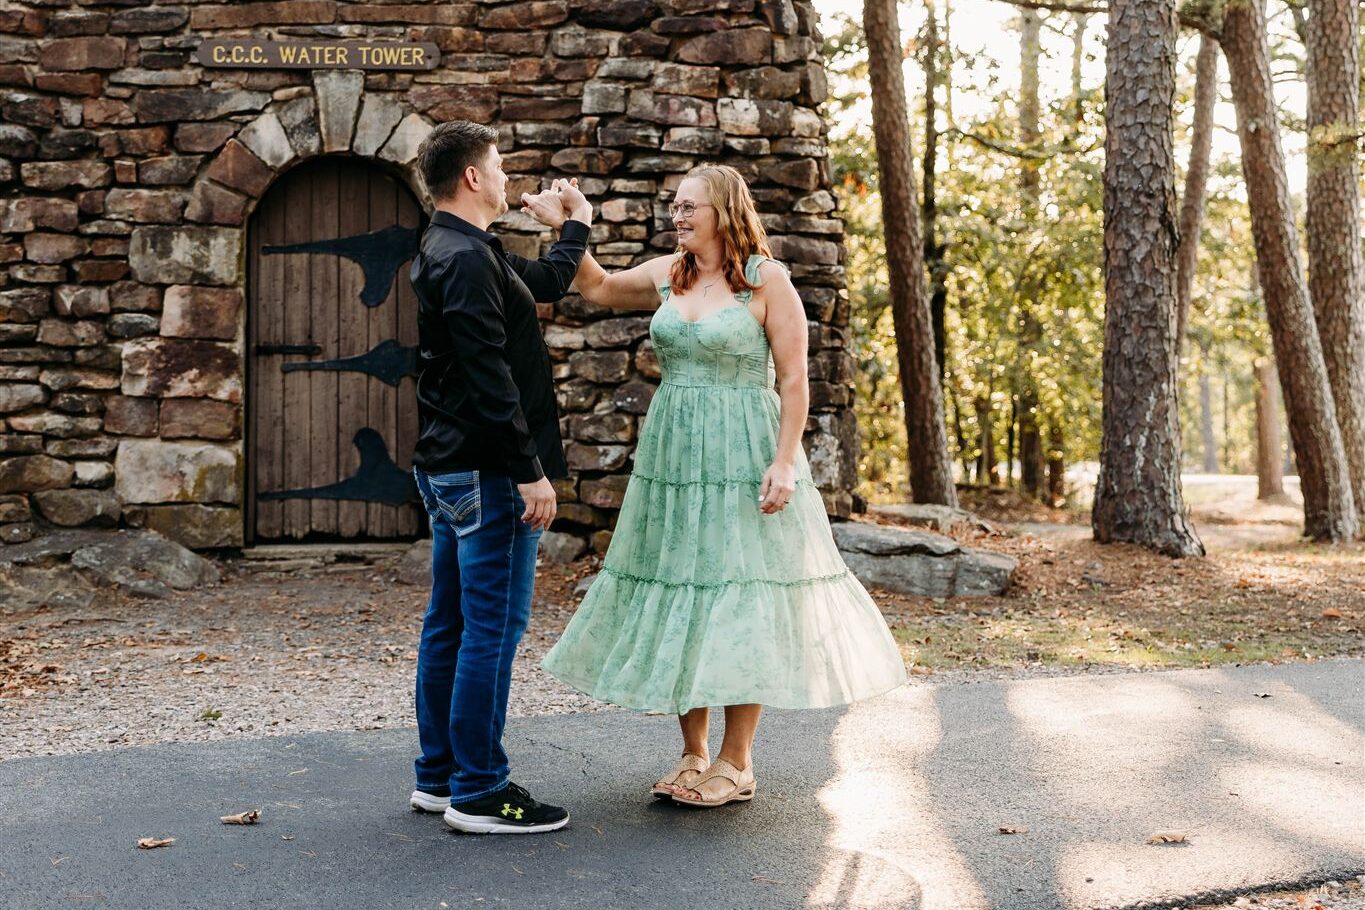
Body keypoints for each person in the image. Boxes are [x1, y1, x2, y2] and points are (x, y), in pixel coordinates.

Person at [522, 165, 907, 809]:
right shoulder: (667, 272)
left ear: (724, 211)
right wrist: (570, 223)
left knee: (738, 591)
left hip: (743, 453)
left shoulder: (766, 279)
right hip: (675, 456)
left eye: (689, 206)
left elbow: (793, 380)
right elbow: (596, 288)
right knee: (685, 588)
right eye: (674, 205)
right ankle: (694, 752)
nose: (677, 215)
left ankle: (737, 759)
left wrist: (785, 462)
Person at [406, 121, 592, 834]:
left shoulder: (462, 247)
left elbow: (540, 284)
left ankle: (439, 776)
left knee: (450, 624)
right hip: (486, 474)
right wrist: (529, 473)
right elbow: (489, 378)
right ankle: (480, 791)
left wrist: (572, 226)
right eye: (501, 167)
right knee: (490, 628)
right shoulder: (463, 258)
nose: (510, 179)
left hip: (456, 470)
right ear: (474, 178)